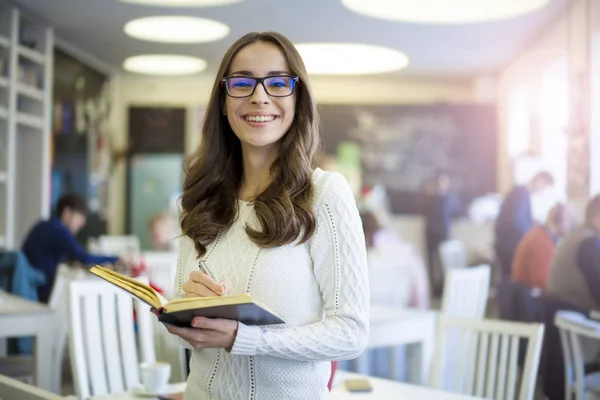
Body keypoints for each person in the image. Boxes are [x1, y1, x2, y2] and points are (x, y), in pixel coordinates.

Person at [164, 32, 369, 399]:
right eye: (242, 83)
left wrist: (246, 339)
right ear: (224, 103)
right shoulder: (198, 198)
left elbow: (351, 332)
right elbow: (191, 333)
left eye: (277, 83)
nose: (260, 96)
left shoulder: (325, 194)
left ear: (297, 98)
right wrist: (186, 309)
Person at [21, 193, 122, 303]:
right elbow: (85, 258)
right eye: (80, 216)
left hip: (30, 288)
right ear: (67, 213)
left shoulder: (44, 224)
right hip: (40, 293)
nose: (82, 223)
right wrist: (118, 258)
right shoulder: (58, 230)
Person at [361, 211, 429, 309]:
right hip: (406, 315)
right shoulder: (408, 251)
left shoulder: (367, 259)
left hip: (372, 315)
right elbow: (420, 295)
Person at [494, 171, 554, 278]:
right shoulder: (522, 193)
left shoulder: (520, 192)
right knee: (510, 282)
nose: (542, 191)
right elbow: (517, 221)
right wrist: (530, 236)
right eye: (544, 187)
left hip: (505, 244)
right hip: (509, 246)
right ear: (540, 180)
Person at [547, 195, 600, 310]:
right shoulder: (589, 242)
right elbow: (597, 288)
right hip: (574, 315)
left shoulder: (577, 234)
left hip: (559, 311)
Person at [511, 203, 572, 290]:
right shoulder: (540, 242)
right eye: (569, 220)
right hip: (529, 298)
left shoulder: (539, 234)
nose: (570, 226)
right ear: (560, 220)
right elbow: (542, 282)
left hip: (528, 294)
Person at [422, 170, 461, 296]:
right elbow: (422, 210)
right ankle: (433, 289)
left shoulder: (451, 197)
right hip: (431, 232)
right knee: (431, 261)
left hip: (444, 232)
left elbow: (457, 211)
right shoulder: (430, 196)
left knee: (445, 261)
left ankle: (445, 289)